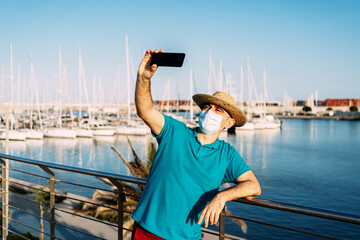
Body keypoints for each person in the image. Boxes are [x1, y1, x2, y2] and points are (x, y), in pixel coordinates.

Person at [131, 49, 261, 240]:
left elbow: (254, 185)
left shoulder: (227, 154)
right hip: (148, 232)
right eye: (207, 107)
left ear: (229, 123)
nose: (209, 112)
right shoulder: (175, 132)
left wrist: (221, 197)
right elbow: (145, 110)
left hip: (189, 237)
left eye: (218, 110)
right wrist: (144, 78)